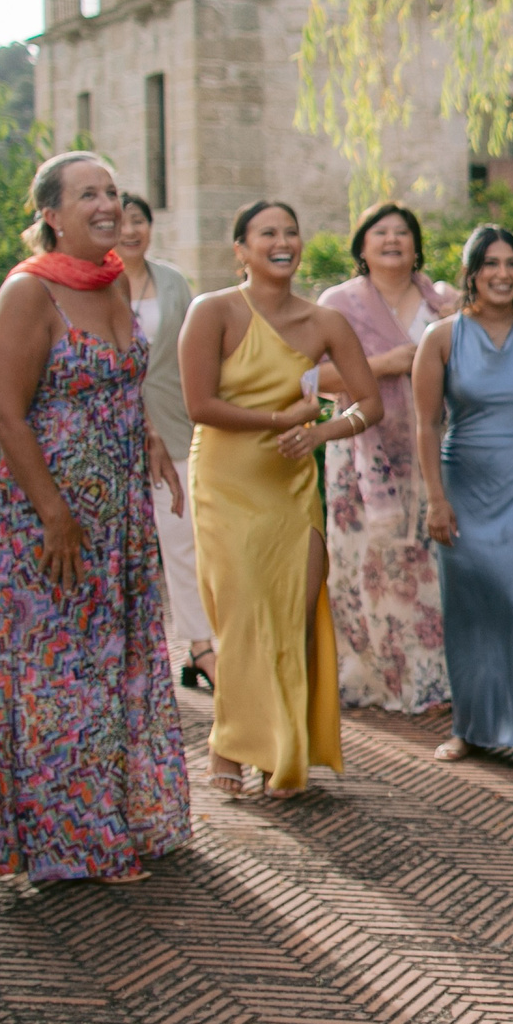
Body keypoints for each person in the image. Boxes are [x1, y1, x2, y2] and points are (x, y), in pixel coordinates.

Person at [0, 152, 192, 884]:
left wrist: (152, 440)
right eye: (88, 194)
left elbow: (123, 380)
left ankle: (120, 818)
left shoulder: (114, 282)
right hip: (45, 510)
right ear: (51, 215)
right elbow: (5, 411)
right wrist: (54, 514)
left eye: (113, 192)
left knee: (115, 662)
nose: (107, 204)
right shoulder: (29, 293)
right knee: (60, 674)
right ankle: (76, 842)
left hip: (118, 507)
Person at [180, 200, 382, 798]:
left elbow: (369, 402)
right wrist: (280, 416)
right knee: (243, 616)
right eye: (267, 232)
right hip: (225, 480)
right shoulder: (211, 311)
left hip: (292, 487)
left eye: (291, 231)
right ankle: (231, 745)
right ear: (240, 248)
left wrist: (321, 430)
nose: (283, 241)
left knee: (293, 612)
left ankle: (282, 749)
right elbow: (199, 406)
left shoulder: (324, 322)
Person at [413, 225, 513, 774]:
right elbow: (425, 424)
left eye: (512, 263)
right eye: (490, 263)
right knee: (472, 608)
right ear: (471, 274)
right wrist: (435, 498)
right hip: (463, 484)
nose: (503, 273)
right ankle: (473, 727)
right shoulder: (440, 338)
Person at [315, 201, 460, 713]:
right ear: (362, 246)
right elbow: (312, 379)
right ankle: (366, 677)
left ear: (417, 246)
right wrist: (382, 365)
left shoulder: (444, 301)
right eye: (380, 232)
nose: (393, 239)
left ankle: (425, 676)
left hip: (426, 450)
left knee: (423, 565)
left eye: (403, 232)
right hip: (358, 452)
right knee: (361, 561)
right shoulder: (338, 303)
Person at [118, 192, 214, 690]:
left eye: (140, 220)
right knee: (117, 549)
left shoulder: (174, 282)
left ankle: (200, 646)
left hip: (174, 424)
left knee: (183, 540)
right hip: (111, 431)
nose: (131, 230)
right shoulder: (91, 285)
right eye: (121, 221)